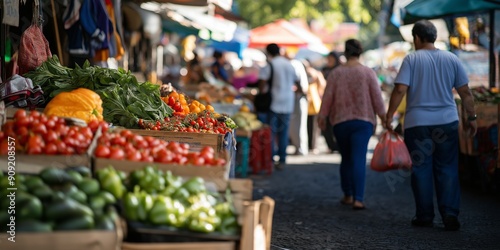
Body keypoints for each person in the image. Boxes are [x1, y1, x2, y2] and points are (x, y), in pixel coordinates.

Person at [385, 20, 477, 231]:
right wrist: (471, 118)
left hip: (418, 124)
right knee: (447, 167)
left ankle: (425, 215)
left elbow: (399, 90)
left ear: (417, 38)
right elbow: (465, 93)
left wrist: (389, 116)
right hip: (447, 122)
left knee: (421, 168)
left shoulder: (411, 59)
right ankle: (450, 214)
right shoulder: (452, 59)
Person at [318, 39, 386, 210]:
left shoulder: (336, 74)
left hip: (340, 122)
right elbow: (377, 99)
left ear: (345, 53)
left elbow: (327, 98)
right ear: (360, 52)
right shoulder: (368, 73)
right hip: (363, 122)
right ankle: (358, 198)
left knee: (346, 158)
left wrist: (322, 117)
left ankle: (347, 194)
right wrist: (384, 117)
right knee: (358, 159)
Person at [258, 43, 299, 170]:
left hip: (274, 101)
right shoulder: (289, 64)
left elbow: (262, 83)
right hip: (288, 101)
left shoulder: (270, 64)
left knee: (272, 131)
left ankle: (271, 158)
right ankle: (282, 158)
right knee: (284, 132)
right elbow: (297, 82)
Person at [303, 59, 327, 154]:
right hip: (312, 101)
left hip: (313, 102)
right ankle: (311, 145)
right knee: (311, 126)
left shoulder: (313, 73)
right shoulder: (315, 73)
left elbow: (322, 85)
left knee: (312, 126)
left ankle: (312, 145)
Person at [320, 51, 342, 153]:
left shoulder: (339, 70)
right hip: (326, 99)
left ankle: (337, 144)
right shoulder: (325, 69)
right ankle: (331, 145)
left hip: (337, 101)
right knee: (326, 124)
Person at [288, 55, 309, 156]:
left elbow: (299, 83)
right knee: (297, 125)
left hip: (299, 98)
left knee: (298, 125)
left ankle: (300, 148)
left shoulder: (294, 64)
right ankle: (300, 148)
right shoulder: (296, 64)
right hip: (298, 98)